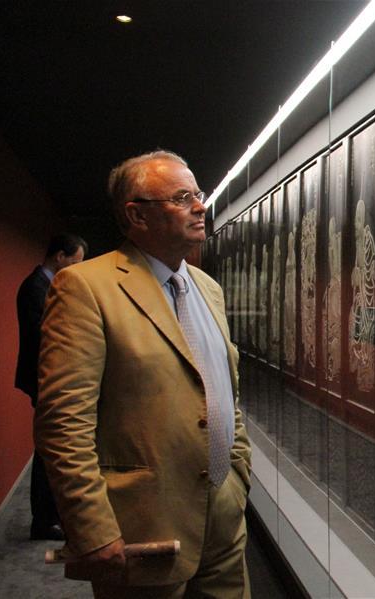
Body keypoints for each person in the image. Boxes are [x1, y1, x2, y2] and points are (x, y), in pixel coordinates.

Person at [35, 150, 252, 597]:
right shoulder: (85, 287)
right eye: (182, 197)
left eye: (198, 194)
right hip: (143, 525)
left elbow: (222, 391)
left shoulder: (207, 288)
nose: (200, 206)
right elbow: (64, 423)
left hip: (224, 516)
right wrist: (93, 529)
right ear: (136, 215)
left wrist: (238, 475)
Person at [15, 232, 87, 541]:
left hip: (49, 378)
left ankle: (51, 515)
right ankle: (43, 521)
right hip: (43, 379)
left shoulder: (46, 285)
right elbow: (44, 336)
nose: (76, 268)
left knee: (52, 447)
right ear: (59, 257)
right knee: (48, 450)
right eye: (75, 261)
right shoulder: (35, 288)